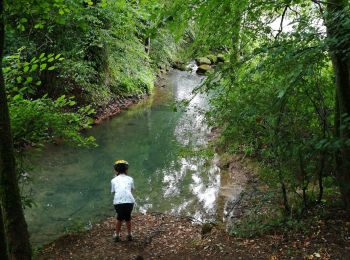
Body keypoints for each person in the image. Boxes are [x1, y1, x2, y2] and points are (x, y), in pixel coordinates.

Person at [111, 160, 135, 242]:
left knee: (119, 218)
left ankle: (117, 236)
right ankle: (129, 235)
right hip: (129, 201)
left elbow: (113, 191)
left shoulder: (113, 180)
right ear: (126, 170)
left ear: (116, 170)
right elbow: (131, 190)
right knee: (128, 217)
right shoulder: (130, 179)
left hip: (118, 202)